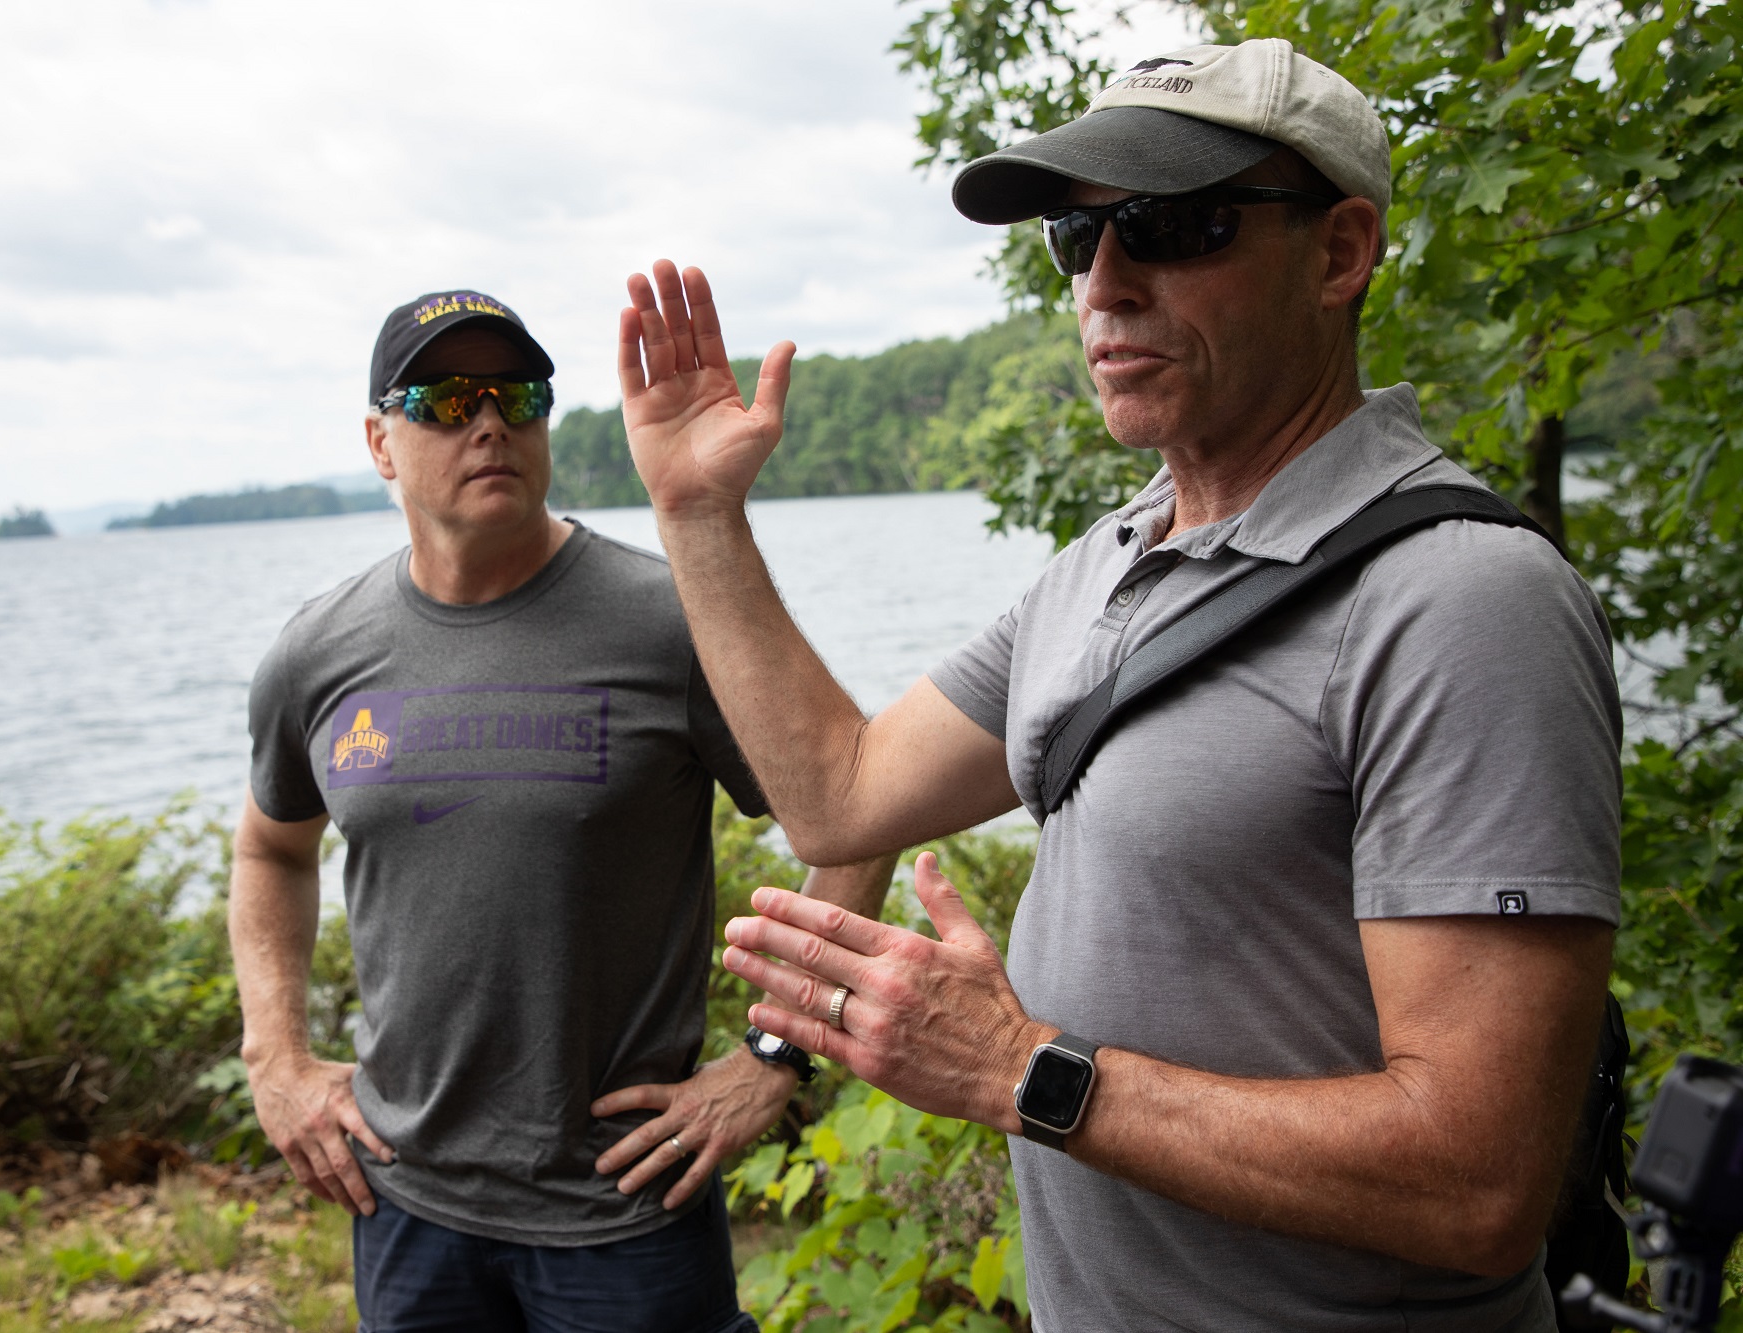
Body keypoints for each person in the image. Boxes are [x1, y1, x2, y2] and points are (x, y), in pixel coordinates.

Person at [617, 39, 1621, 1333]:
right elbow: (839, 794)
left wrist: (1017, 1068)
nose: (1107, 284)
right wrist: (700, 516)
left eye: (1171, 225)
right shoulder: (1103, 567)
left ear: (1341, 252)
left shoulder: (1458, 600)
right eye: (1076, 241)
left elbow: (1478, 1182)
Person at [229, 289, 894, 1332]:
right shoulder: (317, 652)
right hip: (403, 1198)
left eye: (517, 395)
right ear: (378, 442)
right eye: (445, 400)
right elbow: (272, 849)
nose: (488, 422)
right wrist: (275, 1056)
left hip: (625, 1210)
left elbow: (861, 807)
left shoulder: (670, 622)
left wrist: (776, 1053)